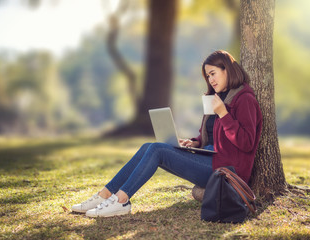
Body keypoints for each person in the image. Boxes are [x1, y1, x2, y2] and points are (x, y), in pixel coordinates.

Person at [71, 50, 262, 218]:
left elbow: (246, 142)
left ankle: (121, 201)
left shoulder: (244, 99)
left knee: (157, 150)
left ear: (227, 69)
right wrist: (195, 143)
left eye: (213, 74)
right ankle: (104, 195)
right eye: (207, 76)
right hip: (211, 159)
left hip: (226, 172)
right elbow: (213, 137)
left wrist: (223, 114)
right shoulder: (218, 98)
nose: (211, 80)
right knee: (148, 147)